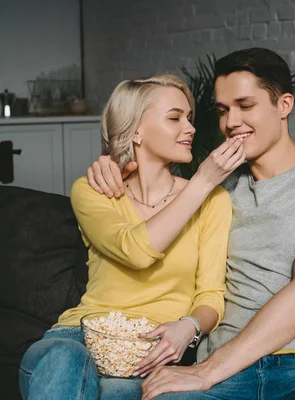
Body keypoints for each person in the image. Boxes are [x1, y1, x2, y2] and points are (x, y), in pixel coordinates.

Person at [87, 48, 295, 400]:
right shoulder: (215, 188)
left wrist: (206, 371)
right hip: (225, 379)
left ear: (284, 105)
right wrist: (110, 167)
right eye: (223, 110)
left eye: (246, 105)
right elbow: (147, 211)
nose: (231, 122)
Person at [18, 75, 247, 400]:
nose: (191, 128)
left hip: (154, 348)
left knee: (118, 393)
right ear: (136, 129)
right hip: (78, 335)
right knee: (63, 360)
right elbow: (137, 250)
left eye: (189, 118)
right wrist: (203, 180)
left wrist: (188, 328)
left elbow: (210, 296)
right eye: (174, 118)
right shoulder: (93, 190)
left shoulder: (213, 202)